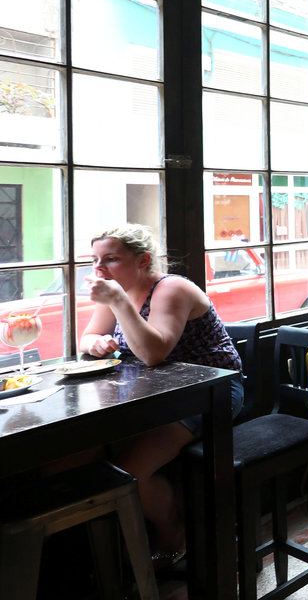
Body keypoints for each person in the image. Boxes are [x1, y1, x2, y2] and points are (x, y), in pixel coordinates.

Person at [81, 223, 244, 564]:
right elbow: (87, 337)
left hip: (208, 391)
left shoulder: (172, 289)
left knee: (128, 473)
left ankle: (174, 533)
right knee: (82, 457)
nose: (99, 269)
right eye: (95, 260)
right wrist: (96, 342)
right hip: (153, 394)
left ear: (142, 260)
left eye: (110, 259)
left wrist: (117, 301)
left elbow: (154, 353)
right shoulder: (118, 291)